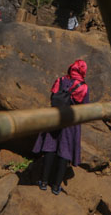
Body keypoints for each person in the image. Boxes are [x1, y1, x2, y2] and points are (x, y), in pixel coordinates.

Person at [34, 60, 89, 194]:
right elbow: (85, 106)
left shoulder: (60, 80)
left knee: (50, 148)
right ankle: (56, 186)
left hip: (55, 118)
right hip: (70, 122)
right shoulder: (83, 87)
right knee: (65, 151)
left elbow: (53, 97)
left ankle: (43, 181)